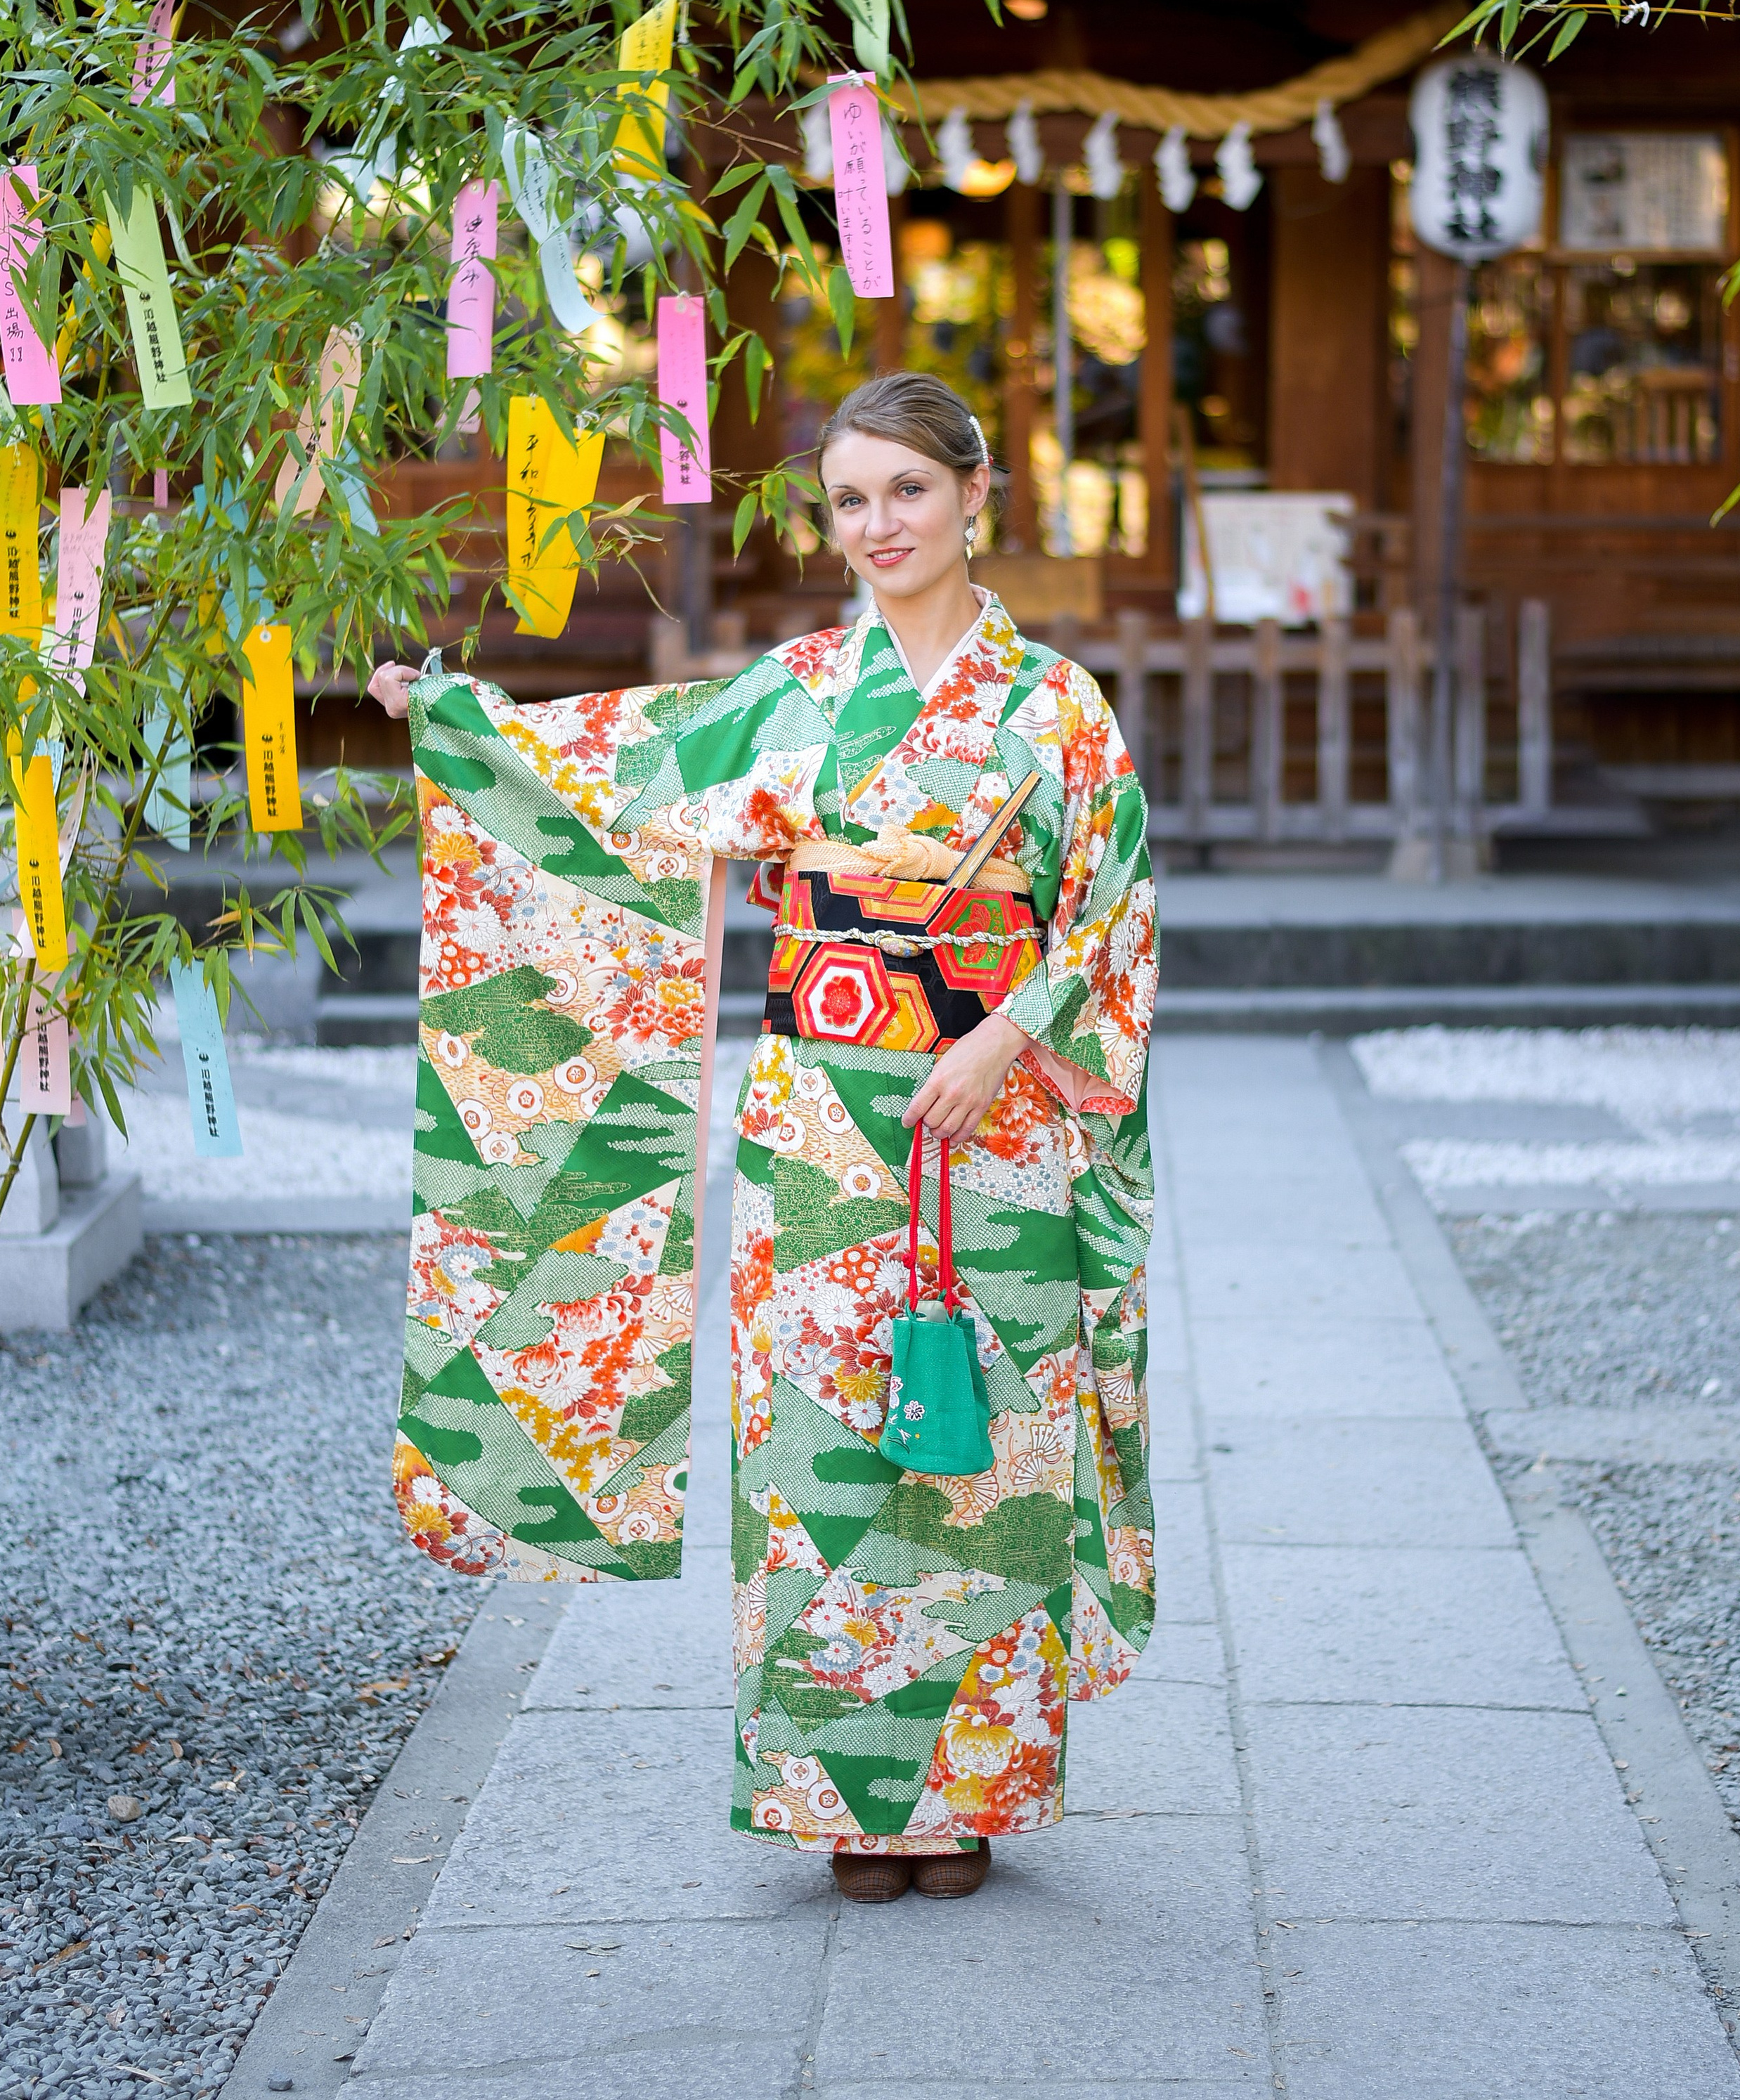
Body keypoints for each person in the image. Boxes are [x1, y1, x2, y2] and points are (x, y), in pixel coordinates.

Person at [369, 372, 1158, 1903]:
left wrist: (1004, 1038)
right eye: (850, 500)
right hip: (821, 1124)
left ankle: (966, 1792)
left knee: (986, 1450)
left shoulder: (1054, 707)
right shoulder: (794, 690)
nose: (879, 525)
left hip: (996, 1119)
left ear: (975, 490)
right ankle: (842, 1800)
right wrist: (461, 722)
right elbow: (617, 772)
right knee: (825, 1452)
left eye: (908, 492)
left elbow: (1112, 910)